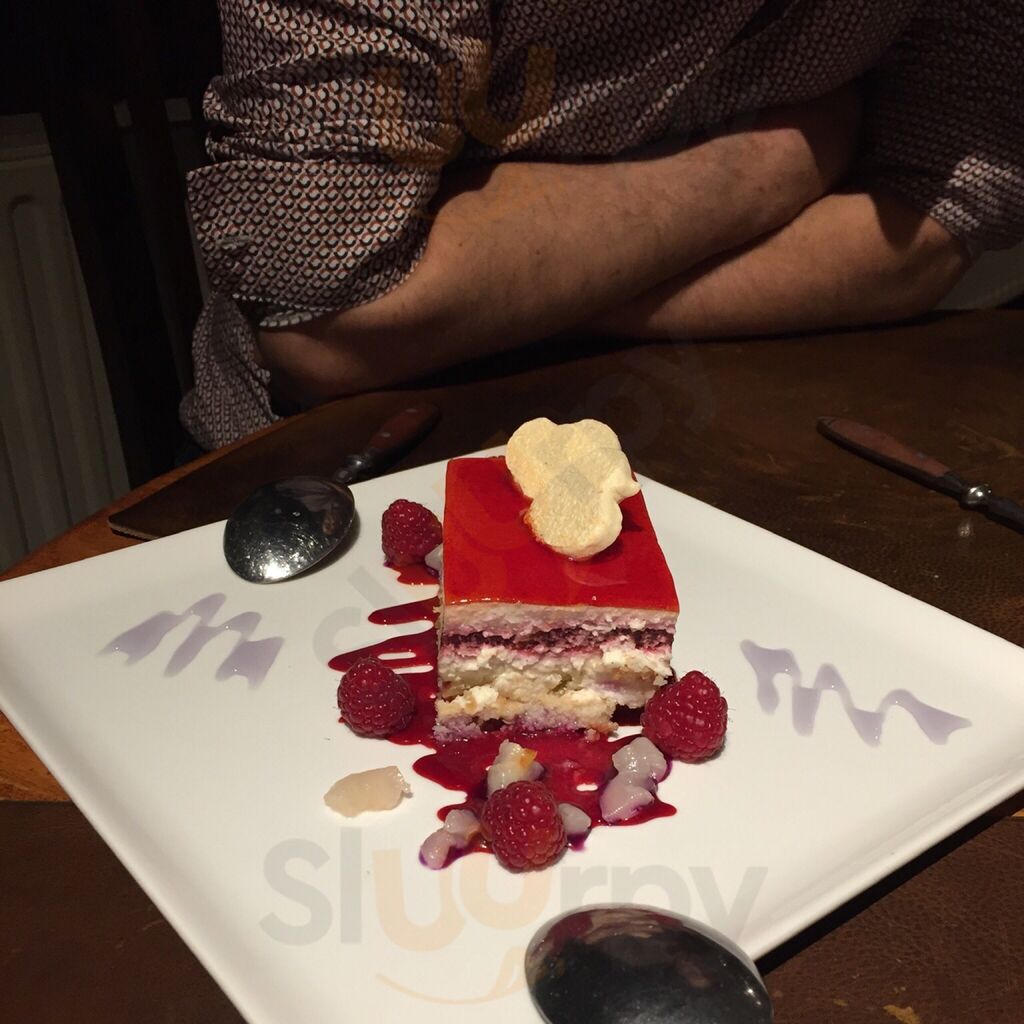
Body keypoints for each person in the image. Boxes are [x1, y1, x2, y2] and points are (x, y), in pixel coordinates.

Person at [182, 0, 1024, 449]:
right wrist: (776, 162)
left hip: (732, 430)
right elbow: (325, 324)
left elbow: (928, 231)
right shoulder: (791, 152)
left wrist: (480, 300)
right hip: (346, 465)